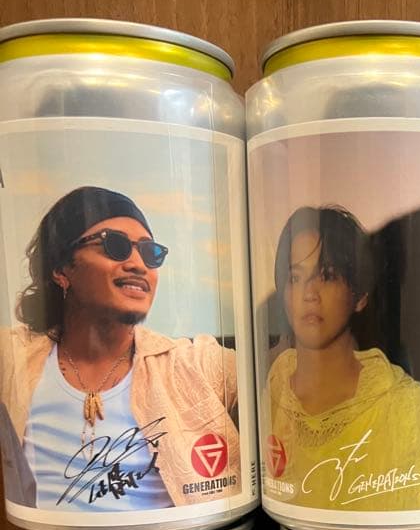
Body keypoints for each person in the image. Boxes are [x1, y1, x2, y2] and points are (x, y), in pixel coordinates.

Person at [0, 186, 240, 511]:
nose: (138, 264)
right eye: (115, 245)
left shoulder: (194, 363)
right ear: (61, 269)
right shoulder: (12, 358)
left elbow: (283, 376)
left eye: (150, 252)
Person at [264, 206, 420, 510]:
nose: (309, 293)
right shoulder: (272, 388)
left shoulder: (408, 410)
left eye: (327, 275)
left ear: (359, 295)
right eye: (295, 277)